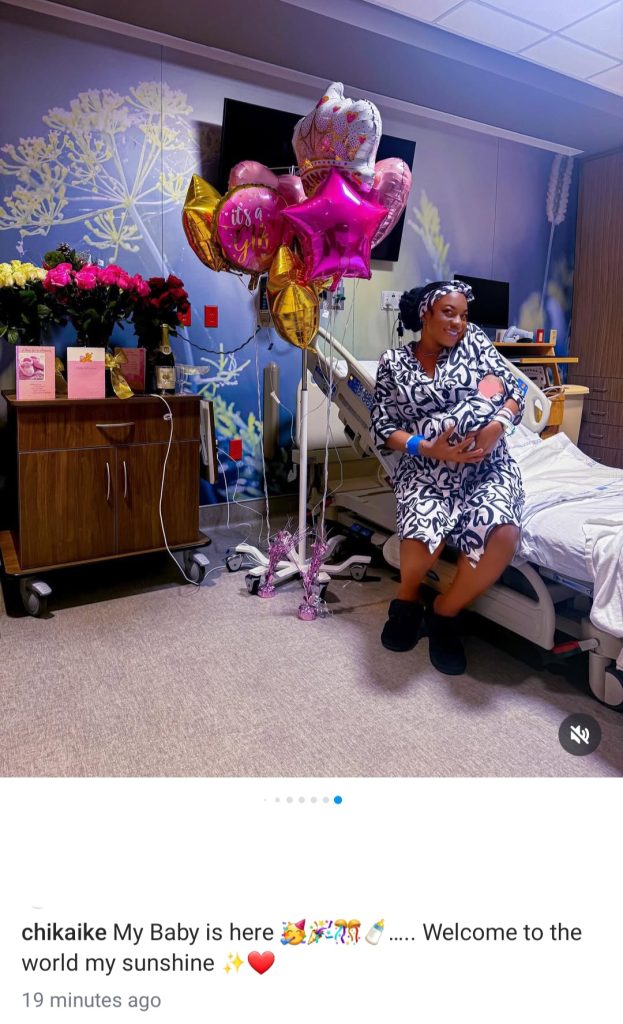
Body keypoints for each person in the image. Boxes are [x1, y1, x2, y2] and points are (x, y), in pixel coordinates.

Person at [370, 279, 525, 675]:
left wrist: (496, 428)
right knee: (422, 541)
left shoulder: (474, 345)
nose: (459, 322)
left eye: (464, 315)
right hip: (427, 470)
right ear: (426, 313)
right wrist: (428, 447)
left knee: (502, 532)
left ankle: (444, 612)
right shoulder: (394, 363)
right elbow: (383, 428)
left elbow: (512, 393)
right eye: (449, 313)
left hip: (485, 468)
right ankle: (407, 599)